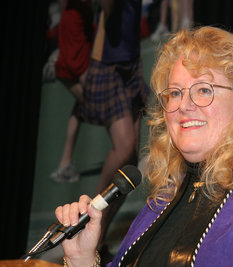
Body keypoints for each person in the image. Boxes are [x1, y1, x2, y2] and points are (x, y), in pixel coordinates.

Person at [55, 26, 233, 266]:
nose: (184, 105)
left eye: (204, 90)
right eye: (175, 93)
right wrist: (83, 259)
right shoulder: (163, 199)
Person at [52, 0, 150, 255]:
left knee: (130, 163)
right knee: (123, 148)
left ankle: (100, 235)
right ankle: (90, 219)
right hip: (109, 64)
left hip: (130, 59)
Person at [50, 0, 95, 182]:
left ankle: (65, 164)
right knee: (103, 111)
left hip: (68, 64)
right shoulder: (75, 14)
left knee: (79, 109)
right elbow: (75, 64)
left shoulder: (79, 10)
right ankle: (126, 162)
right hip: (68, 67)